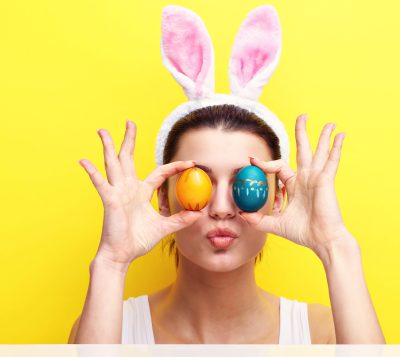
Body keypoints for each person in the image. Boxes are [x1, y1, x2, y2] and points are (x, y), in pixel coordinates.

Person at [68, 5, 385, 344]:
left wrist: (335, 244)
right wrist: (111, 263)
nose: (221, 208)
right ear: (162, 196)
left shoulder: (327, 334)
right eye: (198, 181)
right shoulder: (108, 327)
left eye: (244, 182)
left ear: (278, 199)